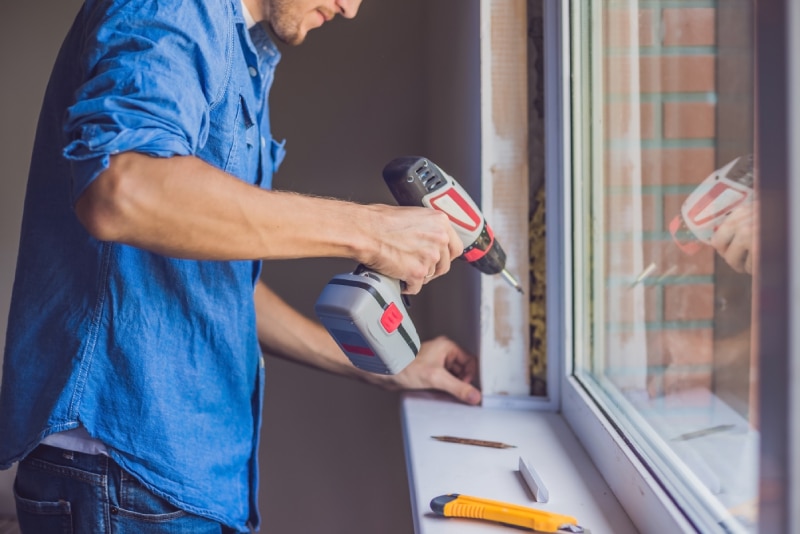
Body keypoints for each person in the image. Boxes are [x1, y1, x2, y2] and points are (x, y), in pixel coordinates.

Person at [0, 0, 482, 532]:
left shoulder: (245, 50)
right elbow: (122, 187)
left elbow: (217, 285)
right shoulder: (177, 7)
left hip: (174, 479)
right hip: (126, 473)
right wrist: (369, 230)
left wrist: (385, 364)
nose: (349, 8)